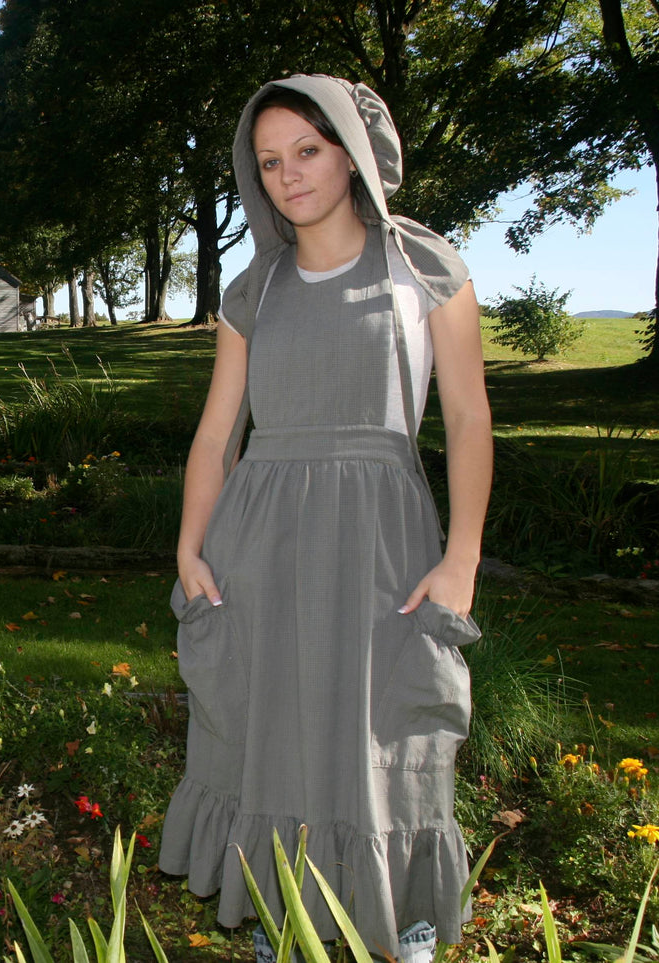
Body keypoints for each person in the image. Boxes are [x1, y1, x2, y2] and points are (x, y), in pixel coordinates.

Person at [157, 74, 493, 963]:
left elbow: (466, 419)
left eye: (305, 150)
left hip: (384, 544)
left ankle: (402, 931)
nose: (288, 174)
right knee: (271, 737)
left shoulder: (425, 266)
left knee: (393, 736)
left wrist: (461, 557)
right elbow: (216, 432)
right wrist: (189, 546)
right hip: (257, 546)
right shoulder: (254, 289)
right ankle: (284, 927)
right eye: (268, 161)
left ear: (349, 152)